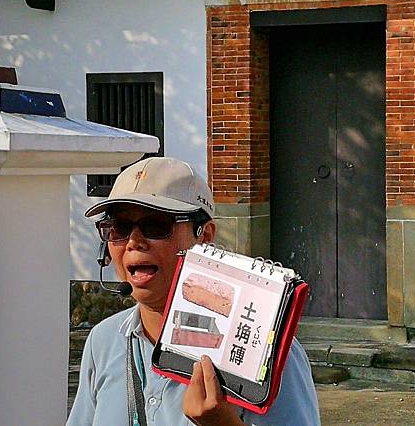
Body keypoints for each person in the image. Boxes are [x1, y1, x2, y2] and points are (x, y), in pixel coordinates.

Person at [67, 157, 320, 426]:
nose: (134, 241)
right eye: (120, 228)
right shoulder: (103, 341)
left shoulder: (263, 352)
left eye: (156, 226)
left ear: (205, 236)